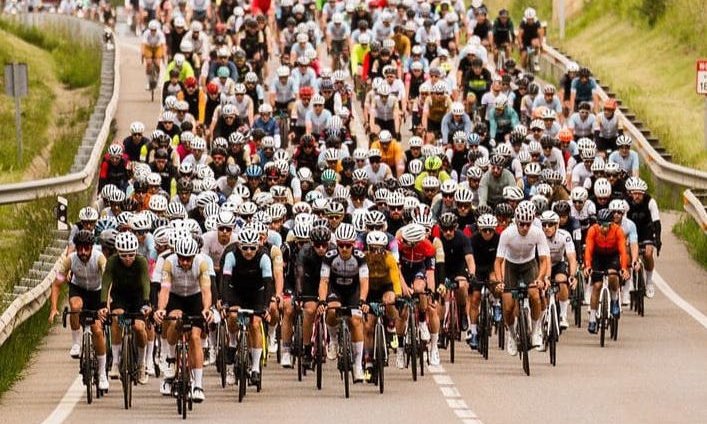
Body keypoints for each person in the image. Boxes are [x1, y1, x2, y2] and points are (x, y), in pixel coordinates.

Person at [49, 231, 109, 391]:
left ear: (91, 247)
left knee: (97, 330)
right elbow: (56, 284)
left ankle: (102, 373)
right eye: (80, 249)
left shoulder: (99, 258)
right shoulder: (70, 260)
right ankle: (76, 343)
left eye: (86, 248)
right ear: (76, 248)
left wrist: (106, 305)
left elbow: (109, 281)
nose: (83, 252)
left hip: (97, 292)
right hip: (79, 289)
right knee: (75, 307)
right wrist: (54, 308)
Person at [494, 201, 550, 356]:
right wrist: (500, 281)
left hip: (529, 265)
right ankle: (511, 335)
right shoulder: (507, 234)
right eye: (522, 224)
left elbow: (544, 260)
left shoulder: (538, 233)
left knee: (535, 296)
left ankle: (535, 331)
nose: (525, 228)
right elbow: (498, 262)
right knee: (508, 306)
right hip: (511, 266)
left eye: (528, 224)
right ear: (516, 222)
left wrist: (540, 278)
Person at [220, 228, 274, 386]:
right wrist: (224, 303)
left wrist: (265, 307)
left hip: (256, 292)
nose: (249, 252)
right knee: (233, 316)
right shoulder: (231, 254)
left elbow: (268, 283)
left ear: (258, 247)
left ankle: (255, 368)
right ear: (239, 246)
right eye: (245, 248)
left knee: (255, 324)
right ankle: (231, 343)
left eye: (252, 248)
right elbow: (224, 280)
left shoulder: (264, 256)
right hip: (235, 290)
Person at [318, 224, 369, 382]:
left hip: (353, 291)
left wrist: (362, 301)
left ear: (353, 244)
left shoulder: (360, 257)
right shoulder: (329, 256)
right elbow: (324, 282)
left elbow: (364, 281)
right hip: (336, 290)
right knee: (333, 311)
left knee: (356, 321)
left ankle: (358, 365)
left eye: (348, 245)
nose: (344, 249)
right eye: (341, 245)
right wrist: (321, 301)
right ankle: (333, 340)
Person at [99, 232, 151, 384]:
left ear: (136, 252)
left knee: (139, 327)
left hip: (138, 296)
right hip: (120, 296)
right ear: (117, 253)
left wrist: (147, 302)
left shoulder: (141, 261)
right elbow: (106, 282)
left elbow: (146, 282)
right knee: (117, 319)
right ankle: (115, 362)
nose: (128, 259)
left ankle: (141, 364)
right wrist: (103, 305)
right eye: (123, 255)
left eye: (130, 255)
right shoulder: (113, 262)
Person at [583, 209, 630, 334]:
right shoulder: (593, 230)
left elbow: (623, 252)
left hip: (612, 256)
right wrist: (587, 266)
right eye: (601, 225)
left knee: (613, 275)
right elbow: (588, 250)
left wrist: (624, 268)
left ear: (611, 224)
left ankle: (614, 300)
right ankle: (592, 318)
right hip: (598, 256)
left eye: (606, 225)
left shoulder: (617, 231)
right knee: (597, 285)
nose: (603, 228)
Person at [539, 211, 578, 331]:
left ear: (557, 225)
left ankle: (562, 316)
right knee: (541, 288)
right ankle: (543, 314)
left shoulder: (564, 235)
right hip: (542, 263)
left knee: (562, 281)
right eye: (544, 225)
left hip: (558, 263)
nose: (547, 228)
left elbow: (571, 257)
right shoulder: (538, 236)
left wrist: (572, 275)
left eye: (550, 225)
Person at [625, 177, 661, 298]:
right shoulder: (626, 203)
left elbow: (656, 222)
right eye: (635, 193)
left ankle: (649, 281)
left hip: (646, 230)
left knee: (648, 253)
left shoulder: (650, 202)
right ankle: (629, 280)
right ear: (630, 193)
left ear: (644, 193)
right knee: (628, 253)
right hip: (631, 230)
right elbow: (622, 221)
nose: (637, 196)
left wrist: (658, 239)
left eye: (640, 193)